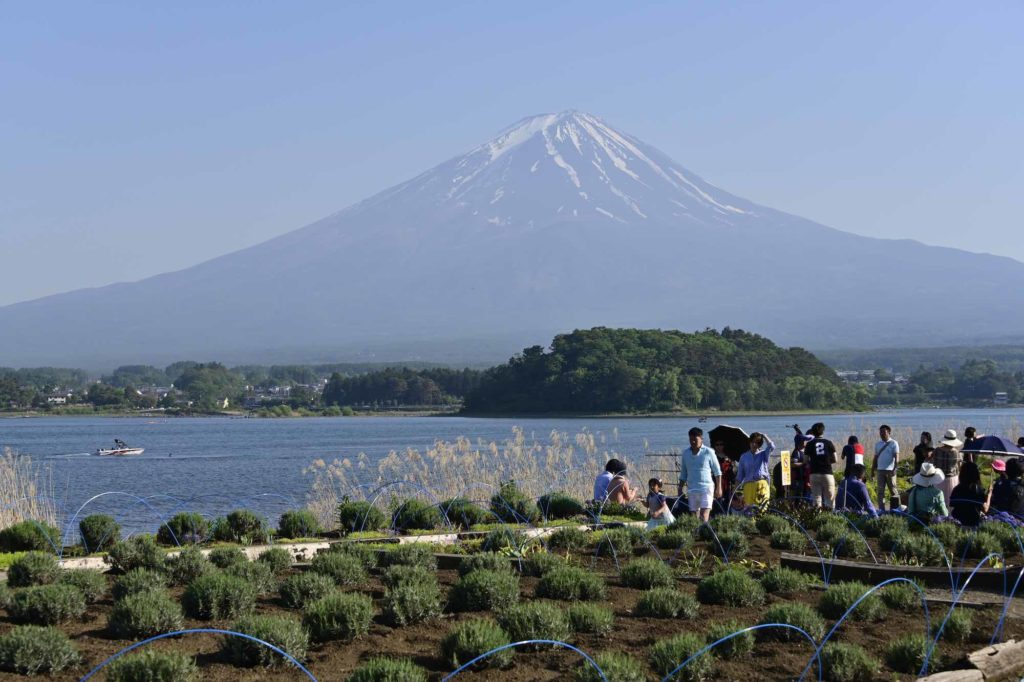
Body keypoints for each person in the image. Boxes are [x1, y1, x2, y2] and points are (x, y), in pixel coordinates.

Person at [678, 427, 722, 523]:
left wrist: (719, 488)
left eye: (695, 439)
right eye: (691, 439)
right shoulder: (686, 453)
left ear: (701, 439)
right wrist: (680, 488)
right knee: (694, 516)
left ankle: (704, 532)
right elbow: (683, 473)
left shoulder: (709, 452)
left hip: (706, 488)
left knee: (704, 514)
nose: (693, 442)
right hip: (692, 488)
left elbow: (717, 472)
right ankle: (696, 534)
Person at [736, 432, 774, 513]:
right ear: (749, 442)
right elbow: (739, 476)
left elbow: (771, 446)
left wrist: (764, 436)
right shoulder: (744, 456)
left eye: (757, 442)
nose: (754, 444)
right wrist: (735, 491)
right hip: (748, 486)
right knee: (749, 511)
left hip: (762, 484)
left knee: (762, 509)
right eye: (752, 442)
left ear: (759, 444)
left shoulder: (763, 454)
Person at [806, 423, 838, 509]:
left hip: (814, 474)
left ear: (813, 432)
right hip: (827, 473)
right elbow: (835, 459)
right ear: (823, 431)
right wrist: (826, 462)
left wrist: (814, 461)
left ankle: (817, 518)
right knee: (830, 499)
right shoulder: (829, 443)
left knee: (816, 499)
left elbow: (805, 460)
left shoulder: (809, 444)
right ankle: (830, 518)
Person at [949, 461, 991, 527]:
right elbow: (985, 509)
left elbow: (952, 504)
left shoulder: (957, 489)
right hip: (973, 523)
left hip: (957, 523)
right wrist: (989, 495)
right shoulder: (978, 490)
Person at [872, 425, 901, 512]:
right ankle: (882, 510)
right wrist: (872, 469)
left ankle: (896, 509)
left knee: (893, 490)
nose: (881, 434)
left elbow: (897, 457)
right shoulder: (878, 444)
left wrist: (895, 469)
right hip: (880, 470)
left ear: (889, 432)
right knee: (880, 492)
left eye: (883, 432)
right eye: (880, 432)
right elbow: (875, 458)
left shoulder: (894, 443)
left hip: (890, 471)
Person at [933, 429, 963, 506]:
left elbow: (933, 464)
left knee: (939, 500)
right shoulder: (956, 452)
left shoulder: (937, 450)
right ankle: (950, 517)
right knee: (950, 500)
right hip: (952, 479)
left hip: (939, 478)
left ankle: (939, 516)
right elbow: (959, 467)